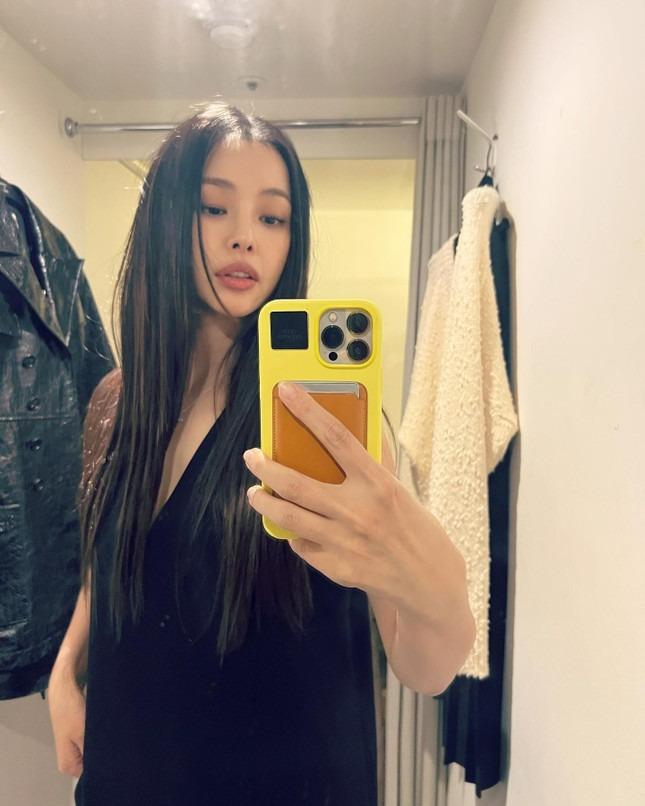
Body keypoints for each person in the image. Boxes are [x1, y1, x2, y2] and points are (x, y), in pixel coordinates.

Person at [47, 102, 476, 806]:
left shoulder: (322, 426)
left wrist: (440, 589)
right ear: (165, 218)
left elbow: (422, 666)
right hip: (129, 773)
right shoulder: (116, 403)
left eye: (272, 217)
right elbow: (111, 560)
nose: (244, 236)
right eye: (215, 208)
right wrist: (66, 669)